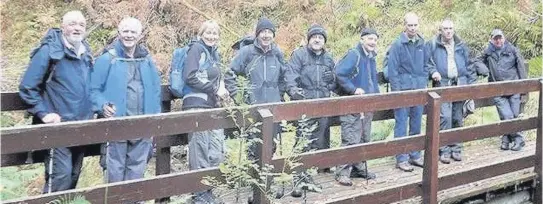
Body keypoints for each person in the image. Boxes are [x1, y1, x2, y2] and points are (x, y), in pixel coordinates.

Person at [19, 10, 93, 193]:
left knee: (74, 177)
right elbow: (28, 87)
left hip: (82, 126)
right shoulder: (49, 51)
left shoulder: (86, 52)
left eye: (81, 25)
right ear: (63, 27)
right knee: (60, 178)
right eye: (72, 24)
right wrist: (43, 114)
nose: (77, 28)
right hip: (56, 128)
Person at [90, 17, 161, 185]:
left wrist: (155, 119)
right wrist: (102, 106)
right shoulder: (108, 59)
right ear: (119, 33)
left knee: (137, 174)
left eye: (133, 32)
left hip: (142, 126)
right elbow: (93, 90)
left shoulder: (146, 60)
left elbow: (156, 91)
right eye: (125, 31)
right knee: (114, 173)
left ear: (140, 35)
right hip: (116, 126)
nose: (129, 35)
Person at [224, 17, 289, 160]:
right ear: (257, 34)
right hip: (252, 107)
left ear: (273, 35)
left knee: (271, 145)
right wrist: (239, 97)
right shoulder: (247, 52)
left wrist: (280, 94)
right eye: (263, 32)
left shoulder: (277, 53)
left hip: (273, 106)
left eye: (269, 32)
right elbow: (229, 74)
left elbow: (285, 76)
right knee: (253, 146)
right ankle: (253, 180)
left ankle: (267, 179)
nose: (266, 35)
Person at [181, 20, 229, 203]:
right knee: (199, 150)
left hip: (212, 106)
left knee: (217, 151)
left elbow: (217, 77)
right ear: (201, 34)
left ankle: (207, 191)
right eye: (208, 33)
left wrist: (221, 87)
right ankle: (200, 195)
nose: (211, 36)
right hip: (196, 105)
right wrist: (213, 88)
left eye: (215, 33)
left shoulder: (213, 54)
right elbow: (189, 76)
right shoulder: (196, 50)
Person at [285, 24, 335, 195]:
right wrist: (293, 92)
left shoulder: (328, 58)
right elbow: (290, 76)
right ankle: (298, 177)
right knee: (302, 140)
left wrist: (333, 79)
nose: (317, 39)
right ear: (309, 39)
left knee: (318, 141)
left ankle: (311, 174)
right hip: (305, 105)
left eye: (320, 37)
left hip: (322, 105)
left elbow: (335, 82)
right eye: (314, 37)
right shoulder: (299, 55)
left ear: (324, 41)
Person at [334, 28, 380, 186]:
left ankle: (358, 167)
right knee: (350, 138)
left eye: (374, 39)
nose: (372, 42)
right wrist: (353, 90)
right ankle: (342, 172)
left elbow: (372, 79)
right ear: (362, 40)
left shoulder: (371, 57)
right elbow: (339, 73)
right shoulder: (354, 54)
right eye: (369, 39)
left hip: (367, 104)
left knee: (364, 137)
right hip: (352, 103)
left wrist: (377, 95)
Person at [426, 19, 472, 164]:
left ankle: (456, 149)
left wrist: (470, 84)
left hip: (459, 84)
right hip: (442, 84)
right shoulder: (433, 45)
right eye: (445, 28)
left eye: (450, 28)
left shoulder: (461, 45)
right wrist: (433, 71)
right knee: (445, 117)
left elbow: (469, 64)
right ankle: (444, 150)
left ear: (454, 29)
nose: (448, 31)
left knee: (458, 117)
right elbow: (427, 63)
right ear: (440, 30)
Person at [387, 12, 427, 172]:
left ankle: (415, 155)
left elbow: (426, 65)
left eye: (415, 25)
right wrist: (397, 93)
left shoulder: (422, 43)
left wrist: (423, 82)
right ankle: (401, 158)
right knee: (401, 125)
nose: (412, 28)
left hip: (418, 89)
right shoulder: (397, 44)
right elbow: (392, 70)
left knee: (416, 123)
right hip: (403, 90)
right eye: (410, 25)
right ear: (405, 26)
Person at [477, 29, 528, 151]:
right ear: (491, 40)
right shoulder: (487, 52)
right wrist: (484, 69)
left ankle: (506, 139)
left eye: (500, 38)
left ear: (504, 38)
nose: (498, 40)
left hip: (514, 88)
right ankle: (519, 139)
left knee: (514, 115)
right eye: (496, 38)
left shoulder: (513, 50)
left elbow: (521, 68)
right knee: (507, 115)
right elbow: (476, 61)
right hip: (497, 90)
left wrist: (524, 88)